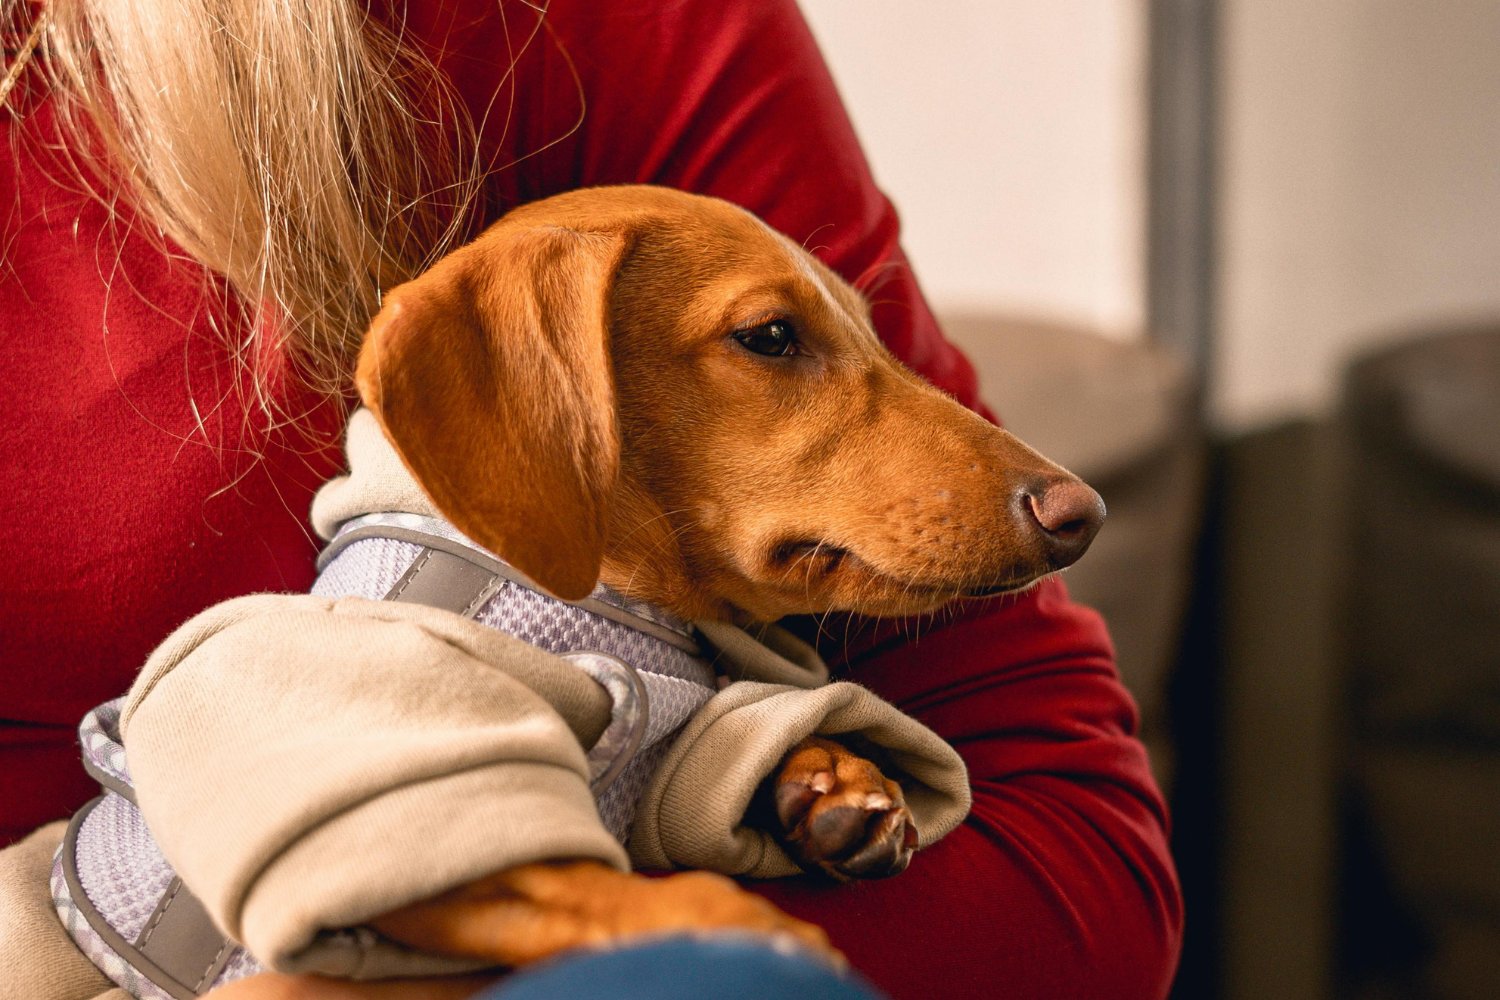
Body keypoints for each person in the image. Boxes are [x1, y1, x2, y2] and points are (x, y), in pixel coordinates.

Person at [0, 1, 1183, 997]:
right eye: (774, 339)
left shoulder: (575, 30)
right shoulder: (356, 639)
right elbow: (282, 731)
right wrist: (619, 931)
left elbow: (1062, 848)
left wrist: (774, 779)